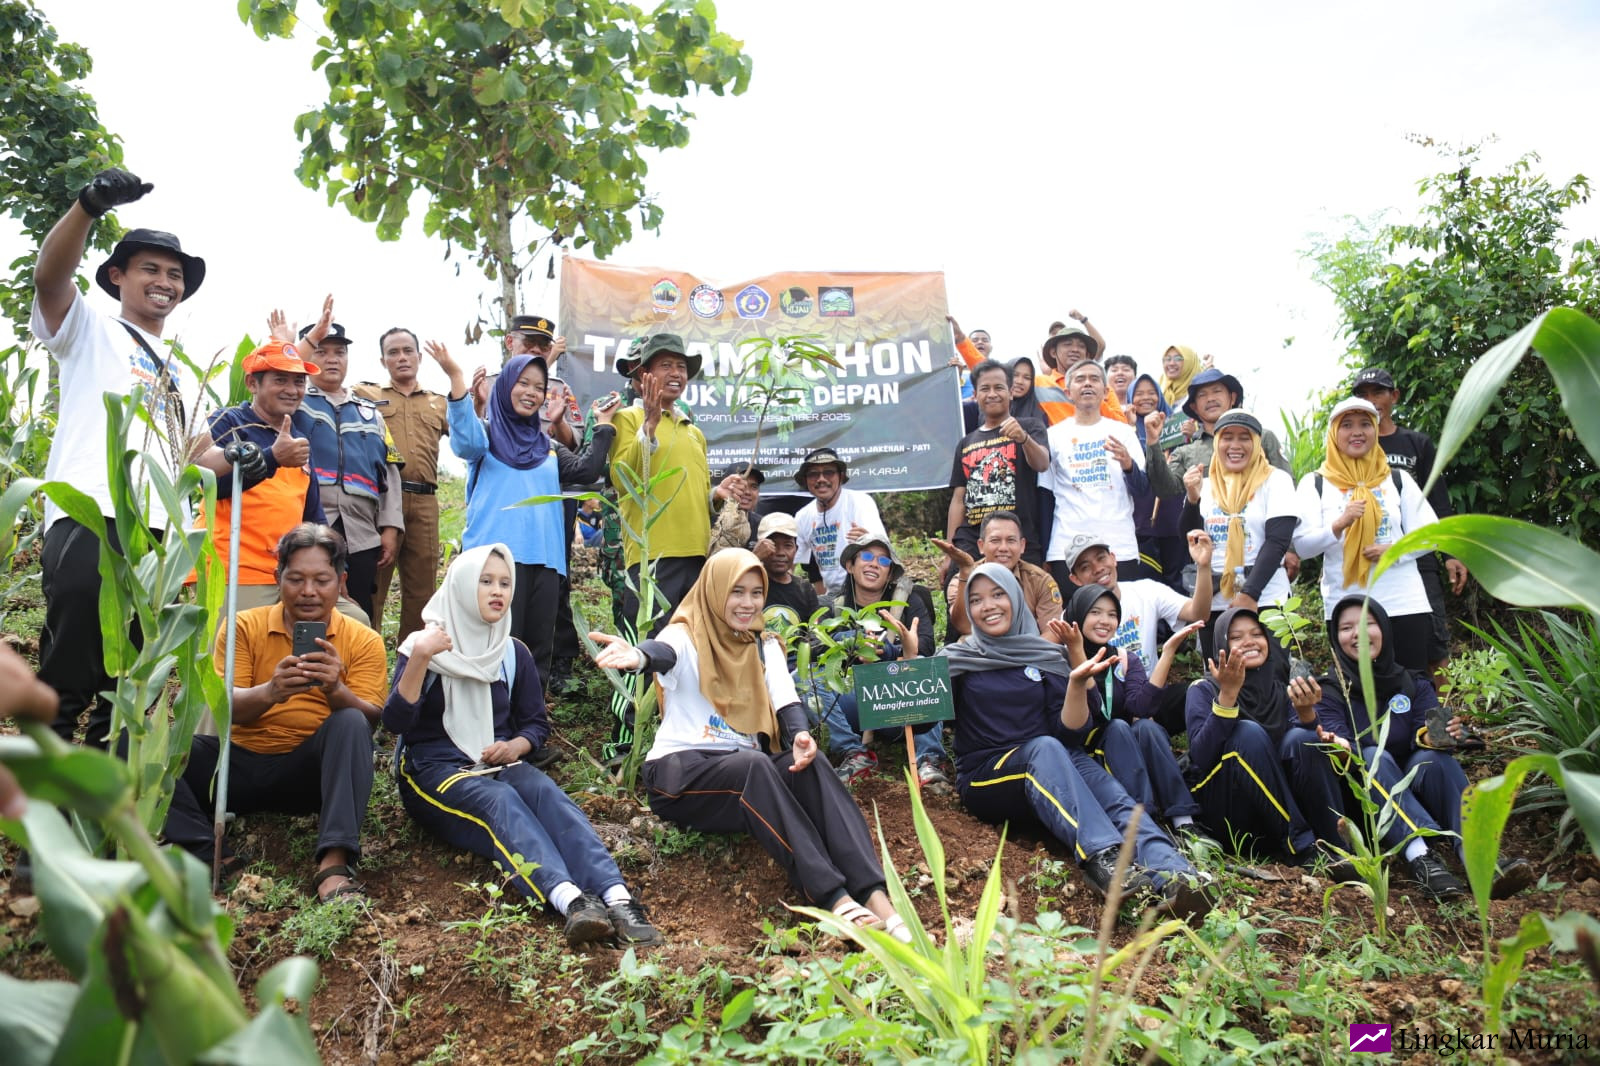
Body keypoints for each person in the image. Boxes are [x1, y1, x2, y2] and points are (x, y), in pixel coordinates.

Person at [590, 550, 914, 943]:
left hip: (742, 773)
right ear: (714, 590)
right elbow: (664, 654)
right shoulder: (686, 632)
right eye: (736, 592)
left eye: (757, 593)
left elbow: (785, 700)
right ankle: (833, 898)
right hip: (680, 773)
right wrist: (639, 656)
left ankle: (877, 898)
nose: (748, 603)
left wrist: (799, 737)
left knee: (809, 765)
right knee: (754, 764)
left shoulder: (764, 645)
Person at [384, 544, 663, 946]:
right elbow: (396, 723)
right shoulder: (423, 647)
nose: (497, 591)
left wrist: (516, 746)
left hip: (499, 762)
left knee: (545, 793)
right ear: (462, 586)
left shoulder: (511, 652)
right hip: (436, 771)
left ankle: (618, 899)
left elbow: (534, 724)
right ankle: (570, 901)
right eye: (485, 581)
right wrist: (421, 660)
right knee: (499, 801)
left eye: (504, 582)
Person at [31, 167, 204, 747]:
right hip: (91, 515)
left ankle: (102, 827)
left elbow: (195, 455)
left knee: (129, 691)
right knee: (69, 677)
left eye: (174, 274)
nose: (164, 282)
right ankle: (40, 828)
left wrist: (260, 458)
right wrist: (89, 206)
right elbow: (49, 279)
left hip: (156, 538)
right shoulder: (90, 328)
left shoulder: (180, 368)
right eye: (150, 269)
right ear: (117, 276)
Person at [938, 564, 1211, 921]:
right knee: (1046, 748)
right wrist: (913, 666)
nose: (988, 605)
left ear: (1017, 600)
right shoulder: (957, 659)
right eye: (976, 600)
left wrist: (1076, 686)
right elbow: (923, 720)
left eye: (998, 594)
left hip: (1054, 764)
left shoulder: (1045, 655)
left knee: (1111, 794)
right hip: (989, 774)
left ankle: (1176, 874)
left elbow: (1069, 732)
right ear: (968, 611)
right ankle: (1104, 860)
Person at [163, 524, 385, 901]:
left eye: (321, 579)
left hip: (311, 775)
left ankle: (333, 864)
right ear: (277, 577)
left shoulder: (363, 639)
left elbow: (370, 719)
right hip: (236, 768)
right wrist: (270, 692)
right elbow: (224, 709)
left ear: (341, 581)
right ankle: (208, 855)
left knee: (349, 721)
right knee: (145, 744)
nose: (309, 591)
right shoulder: (242, 627)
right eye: (296, 578)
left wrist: (336, 689)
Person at [1309, 597, 1533, 901]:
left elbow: (1435, 731)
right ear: (1336, 638)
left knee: (1435, 758)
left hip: (1416, 792)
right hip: (1368, 805)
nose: (1358, 634)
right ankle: (1420, 858)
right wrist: (1338, 746)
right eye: (1347, 628)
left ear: (1385, 630)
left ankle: (1479, 858)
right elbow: (1341, 746)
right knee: (1374, 756)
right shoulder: (1330, 690)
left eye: (1367, 624)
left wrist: (1445, 734)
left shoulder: (1414, 681)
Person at [428, 341, 616, 686]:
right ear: (505, 386)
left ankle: (529, 730)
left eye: (539, 387)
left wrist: (602, 425)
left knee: (535, 652)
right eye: (523, 383)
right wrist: (455, 376)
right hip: (494, 560)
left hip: (545, 561)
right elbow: (463, 441)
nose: (532, 393)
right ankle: (490, 727)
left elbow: (587, 471)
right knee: (493, 647)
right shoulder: (485, 436)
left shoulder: (547, 446)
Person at [604, 334, 749, 762]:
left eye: (681, 367)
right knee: (640, 651)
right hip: (651, 558)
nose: (676, 373)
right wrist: (648, 422)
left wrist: (717, 495)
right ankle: (623, 746)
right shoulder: (627, 419)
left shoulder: (694, 431)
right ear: (643, 375)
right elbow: (624, 477)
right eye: (665, 365)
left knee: (688, 652)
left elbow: (693, 498)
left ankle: (678, 739)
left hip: (696, 560)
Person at [1184, 607, 1344, 865]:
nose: (1249, 641)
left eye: (1257, 634)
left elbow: (1299, 750)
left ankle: (1338, 847)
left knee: (1302, 739)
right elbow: (1201, 758)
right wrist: (1228, 695)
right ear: (1221, 646)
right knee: (1247, 733)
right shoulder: (1203, 689)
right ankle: (1303, 848)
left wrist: (1306, 714)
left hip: (1275, 812)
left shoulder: (1280, 688)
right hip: (1229, 811)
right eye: (1236, 637)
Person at [1055, 582, 1211, 843]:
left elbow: (1142, 708)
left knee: (1147, 727)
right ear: (1078, 614)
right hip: (1085, 755)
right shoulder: (1058, 659)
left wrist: (1168, 652)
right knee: (1117, 726)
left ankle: (1184, 822)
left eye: (1112, 614)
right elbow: (1095, 711)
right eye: (1095, 612)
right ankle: (1145, 822)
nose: (1105, 620)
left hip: (1123, 748)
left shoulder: (1125, 658)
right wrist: (1078, 652)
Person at [1295, 398, 1439, 674]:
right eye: (1346, 425)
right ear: (1334, 434)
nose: (1357, 432)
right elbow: (1303, 547)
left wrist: (1396, 550)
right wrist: (1340, 524)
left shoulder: (1397, 479)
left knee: (1411, 683)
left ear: (1376, 430)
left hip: (1404, 602)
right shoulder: (1316, 483)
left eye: (1365, 424)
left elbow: (1432, 535)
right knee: (1359, 690)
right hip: (1348, 607)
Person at [191, 336, 329, 612]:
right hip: (234, 572)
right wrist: (273, 458)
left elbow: (311, 513)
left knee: (354, 625)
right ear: (252, 383)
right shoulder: (227, 423)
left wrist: (337, 568)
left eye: (299, 382)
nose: (292, 390)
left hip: (290, 576)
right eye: (280, 380)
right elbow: (214, 484)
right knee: (237, 651)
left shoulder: (298, 438)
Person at [1352, 366, 1470, 686]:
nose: (1372, 400)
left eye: (1378, 392)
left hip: (1418, 558)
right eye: (1362, 395)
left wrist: (1450, 554)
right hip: (1368, 559)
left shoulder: (1415, 444)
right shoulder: (1351, 447)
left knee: (1433, 643)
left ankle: (1439, 723)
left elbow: (1438, 501)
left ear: (1394, 396)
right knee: (1377, 641)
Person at [811, 534, 946, 790]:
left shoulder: (909, 601)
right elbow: (814, 645)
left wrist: (889, 650)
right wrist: (850, 642)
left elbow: (926, 644)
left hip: (901, 703)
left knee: (929, 665)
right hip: (856, 706)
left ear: (890, 573)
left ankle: (928, 759)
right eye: (866, 556)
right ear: (851, 565)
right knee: (806, 679)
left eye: (883, 560)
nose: (874, 564)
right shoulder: (832, 606)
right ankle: (854, 753)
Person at [298, 318, 402, 621]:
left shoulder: (370, 413)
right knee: (310, 606)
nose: (332, 359)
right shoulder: (295, 402)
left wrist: (391, 528)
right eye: (321, 351)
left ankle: (356, 669)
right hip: (311, 522)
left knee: (358, 610)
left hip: (362, 531)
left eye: (339, 352)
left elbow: (390, 474)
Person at [1063, 532, 1215, 735]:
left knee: (1200, 691)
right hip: (1105, 708)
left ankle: (1199, 756)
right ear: (1075, 579)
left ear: (1114, 558)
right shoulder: (1072, 615)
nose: (1098, 568)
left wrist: (1203, 567)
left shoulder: (1146, 591)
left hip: (1150, 693)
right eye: (1085, 567)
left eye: (1101, 558)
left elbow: (1199, 613)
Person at [355, 328, 451, 643]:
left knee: (422, 592)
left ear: (420, 357)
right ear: (383, 360)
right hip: (382, 501)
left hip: (425, 503)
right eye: (393, 352)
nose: (402, 358)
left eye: (408, 351)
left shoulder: (438, 403)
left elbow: (470, 433)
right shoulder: (365, 394)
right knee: (373, 587)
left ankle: (412, 673)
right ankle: (366, 664)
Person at [1180, 411, 1300, 658]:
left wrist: (1249, 594)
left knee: (1272, 675)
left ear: (1256, 442)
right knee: (1220, 678)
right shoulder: (1207, 483)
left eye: (1244, 438)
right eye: (1227, 437)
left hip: (1266, 596)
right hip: (1216, 599)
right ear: (1217, 442)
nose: (1235, 445)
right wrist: (1192, 500)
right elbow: (1189, 538)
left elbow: (1278, 541)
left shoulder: (1275, 480)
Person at [1044, 360, 1148, 589]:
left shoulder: (1123, 433)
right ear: (1068, 392)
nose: (1087, 384)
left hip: (1118, 546)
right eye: (1080, 379)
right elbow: (1045, 496)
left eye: (1094, 379)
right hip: (1067, 549)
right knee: (1074, 622)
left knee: (1121, 619)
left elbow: (1143, 490)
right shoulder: (1052, 436)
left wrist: (1128, 465)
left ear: (1105, 390)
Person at [946, 359, 1050, 565]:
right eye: (985, 388)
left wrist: (1024, 439)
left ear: (1011, 392)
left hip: (1018, 539)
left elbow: (1042, 464)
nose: (992, 394)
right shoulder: (966, 442)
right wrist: (950, 551)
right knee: (958, 591)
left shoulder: (1031, 427)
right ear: (975, 395)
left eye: (999, 388)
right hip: (972, 539)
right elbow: (959, 499)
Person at [940, 510, 1062, 640]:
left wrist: (1021, 657)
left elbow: (1052, 633)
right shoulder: (962, 580)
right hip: (980, 654)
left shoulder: (1040, 581)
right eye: (995, 540)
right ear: (981, 546)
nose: (1003, 548)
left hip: (1029, 654)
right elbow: (964, 627)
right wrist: (965, 572)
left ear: (1022, 546)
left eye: (1010, 540)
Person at [792, 447, 884, 598]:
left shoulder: (860, 502)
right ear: (806, 481)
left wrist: (869, 542)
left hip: (866, 591)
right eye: (813, 474)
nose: (821, 479)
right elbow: (791, 563)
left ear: (840, 477)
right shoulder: (803, 516)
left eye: (828, 472)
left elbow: (884, 552)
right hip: (833, 595)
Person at [1125, 372, 1188, 589]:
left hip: (1173, 516)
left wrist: (1189, 435)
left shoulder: (1175, 425)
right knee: (1148, 584)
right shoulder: (1125, 429)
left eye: (1152, 392)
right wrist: (1131, 427)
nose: (1146, 398)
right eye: (1139, 393)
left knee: (1176, 582)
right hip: (1142, 520)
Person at [753, 512, 820, 625]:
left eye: (788, 545)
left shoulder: (805, 589)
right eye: (772, 545)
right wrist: (754, 557)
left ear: (796, 549)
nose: (780, 553)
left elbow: (814, 632)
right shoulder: (752, 583)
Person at [1157, 346, 1203, 413]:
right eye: (1167, 359)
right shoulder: (1158, 391)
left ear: (1190, 362)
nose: (1171, 363)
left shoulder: (1201, 392)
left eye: (1178, 358)